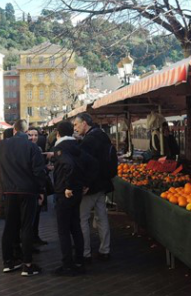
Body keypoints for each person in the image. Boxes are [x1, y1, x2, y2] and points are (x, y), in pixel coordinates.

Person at [0, 120, 47, 277]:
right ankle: (27, 264)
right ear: (26, 132)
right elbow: (39, 172)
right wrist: (41, 190)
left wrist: (1, 164)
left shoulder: (2, 145)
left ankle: (8, 262)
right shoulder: (32, 147)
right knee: (26, 226)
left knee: (10, 227)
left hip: (9, 192)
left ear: (14, 130)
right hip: (28, 191)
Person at [74, 113, 114, 262]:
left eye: (76, 124)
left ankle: (85, 253)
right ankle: (105, 250)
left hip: (91, 186)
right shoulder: (102, 135)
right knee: (102, 217)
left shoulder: (89, 140)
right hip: (104, 184)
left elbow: (87, 165)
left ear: (84, 123)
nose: (75, 128)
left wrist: (86, 184)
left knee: (82, 218)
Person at [51, 120, 89, 276]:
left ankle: (67, 264)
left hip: (64, 193)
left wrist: (68, 186)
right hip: (78, 192)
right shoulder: (77, 145)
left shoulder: (60, 148)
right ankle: (79, 260)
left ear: (58, 134)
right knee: (76, 227)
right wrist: (85, 183)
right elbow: (90, 163)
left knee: (63, 230)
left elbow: (69, 165)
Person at [26, 127, 50, 246]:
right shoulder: (25, 149)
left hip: (38, 185)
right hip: (30, 186)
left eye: (35, 135)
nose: (33, 137)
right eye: (31, 135)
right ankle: (30, 240)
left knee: (37, 214)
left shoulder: (39, 148)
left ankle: (35, 237)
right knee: (30, 215)